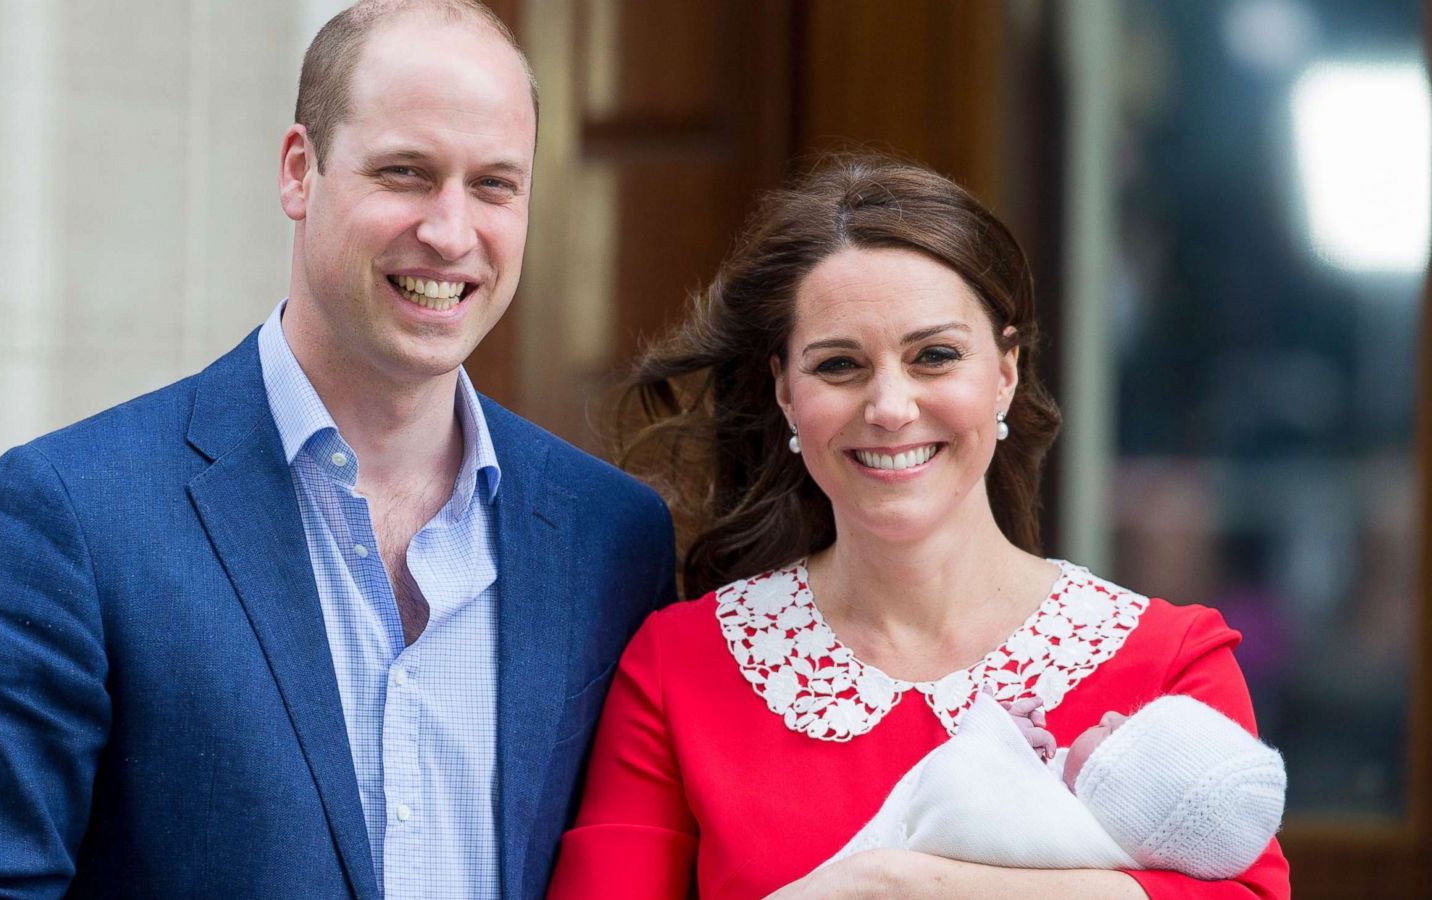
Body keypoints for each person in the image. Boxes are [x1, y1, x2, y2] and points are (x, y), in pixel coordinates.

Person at [0, 2, 674, 897]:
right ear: (300, 172)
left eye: (495, 185)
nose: (452, 233)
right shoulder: (71, 516)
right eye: (406, 173)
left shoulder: (614, 539)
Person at [545, 155, 1289, 899]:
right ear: (784, 391)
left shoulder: (1170, 663)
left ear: (1005, 372)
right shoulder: (678, 668)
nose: (891, 407)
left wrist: (908, 887)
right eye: (840, 365)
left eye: (934, 356)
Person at [825, 695, 1286, 880]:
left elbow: (944, 808)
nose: (1112, 716)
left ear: (1121, 798)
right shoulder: (1097, 833)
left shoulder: (1059, 841)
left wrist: (993, 737)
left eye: (1123, 734)